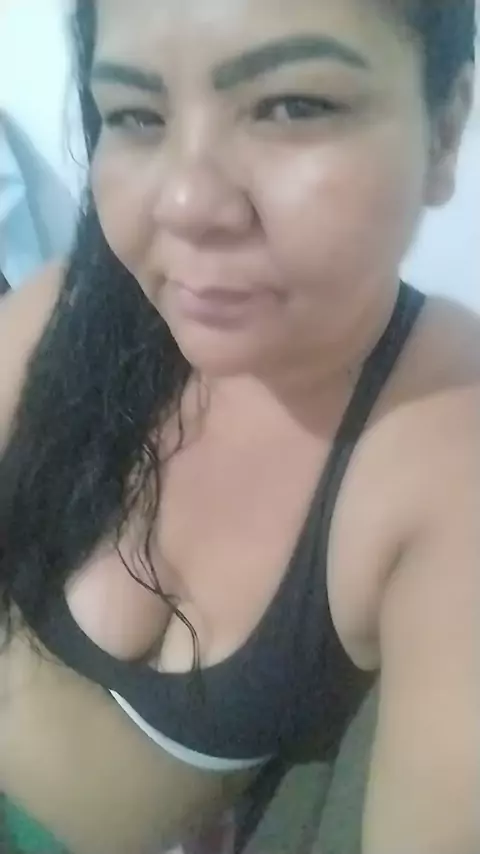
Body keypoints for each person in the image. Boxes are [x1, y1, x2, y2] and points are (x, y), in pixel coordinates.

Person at [0, 1, 478, 853]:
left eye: (293, 105)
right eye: (137, 115)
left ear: (444, 131)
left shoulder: (447, 437)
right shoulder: (71, 308)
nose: (186, 203)